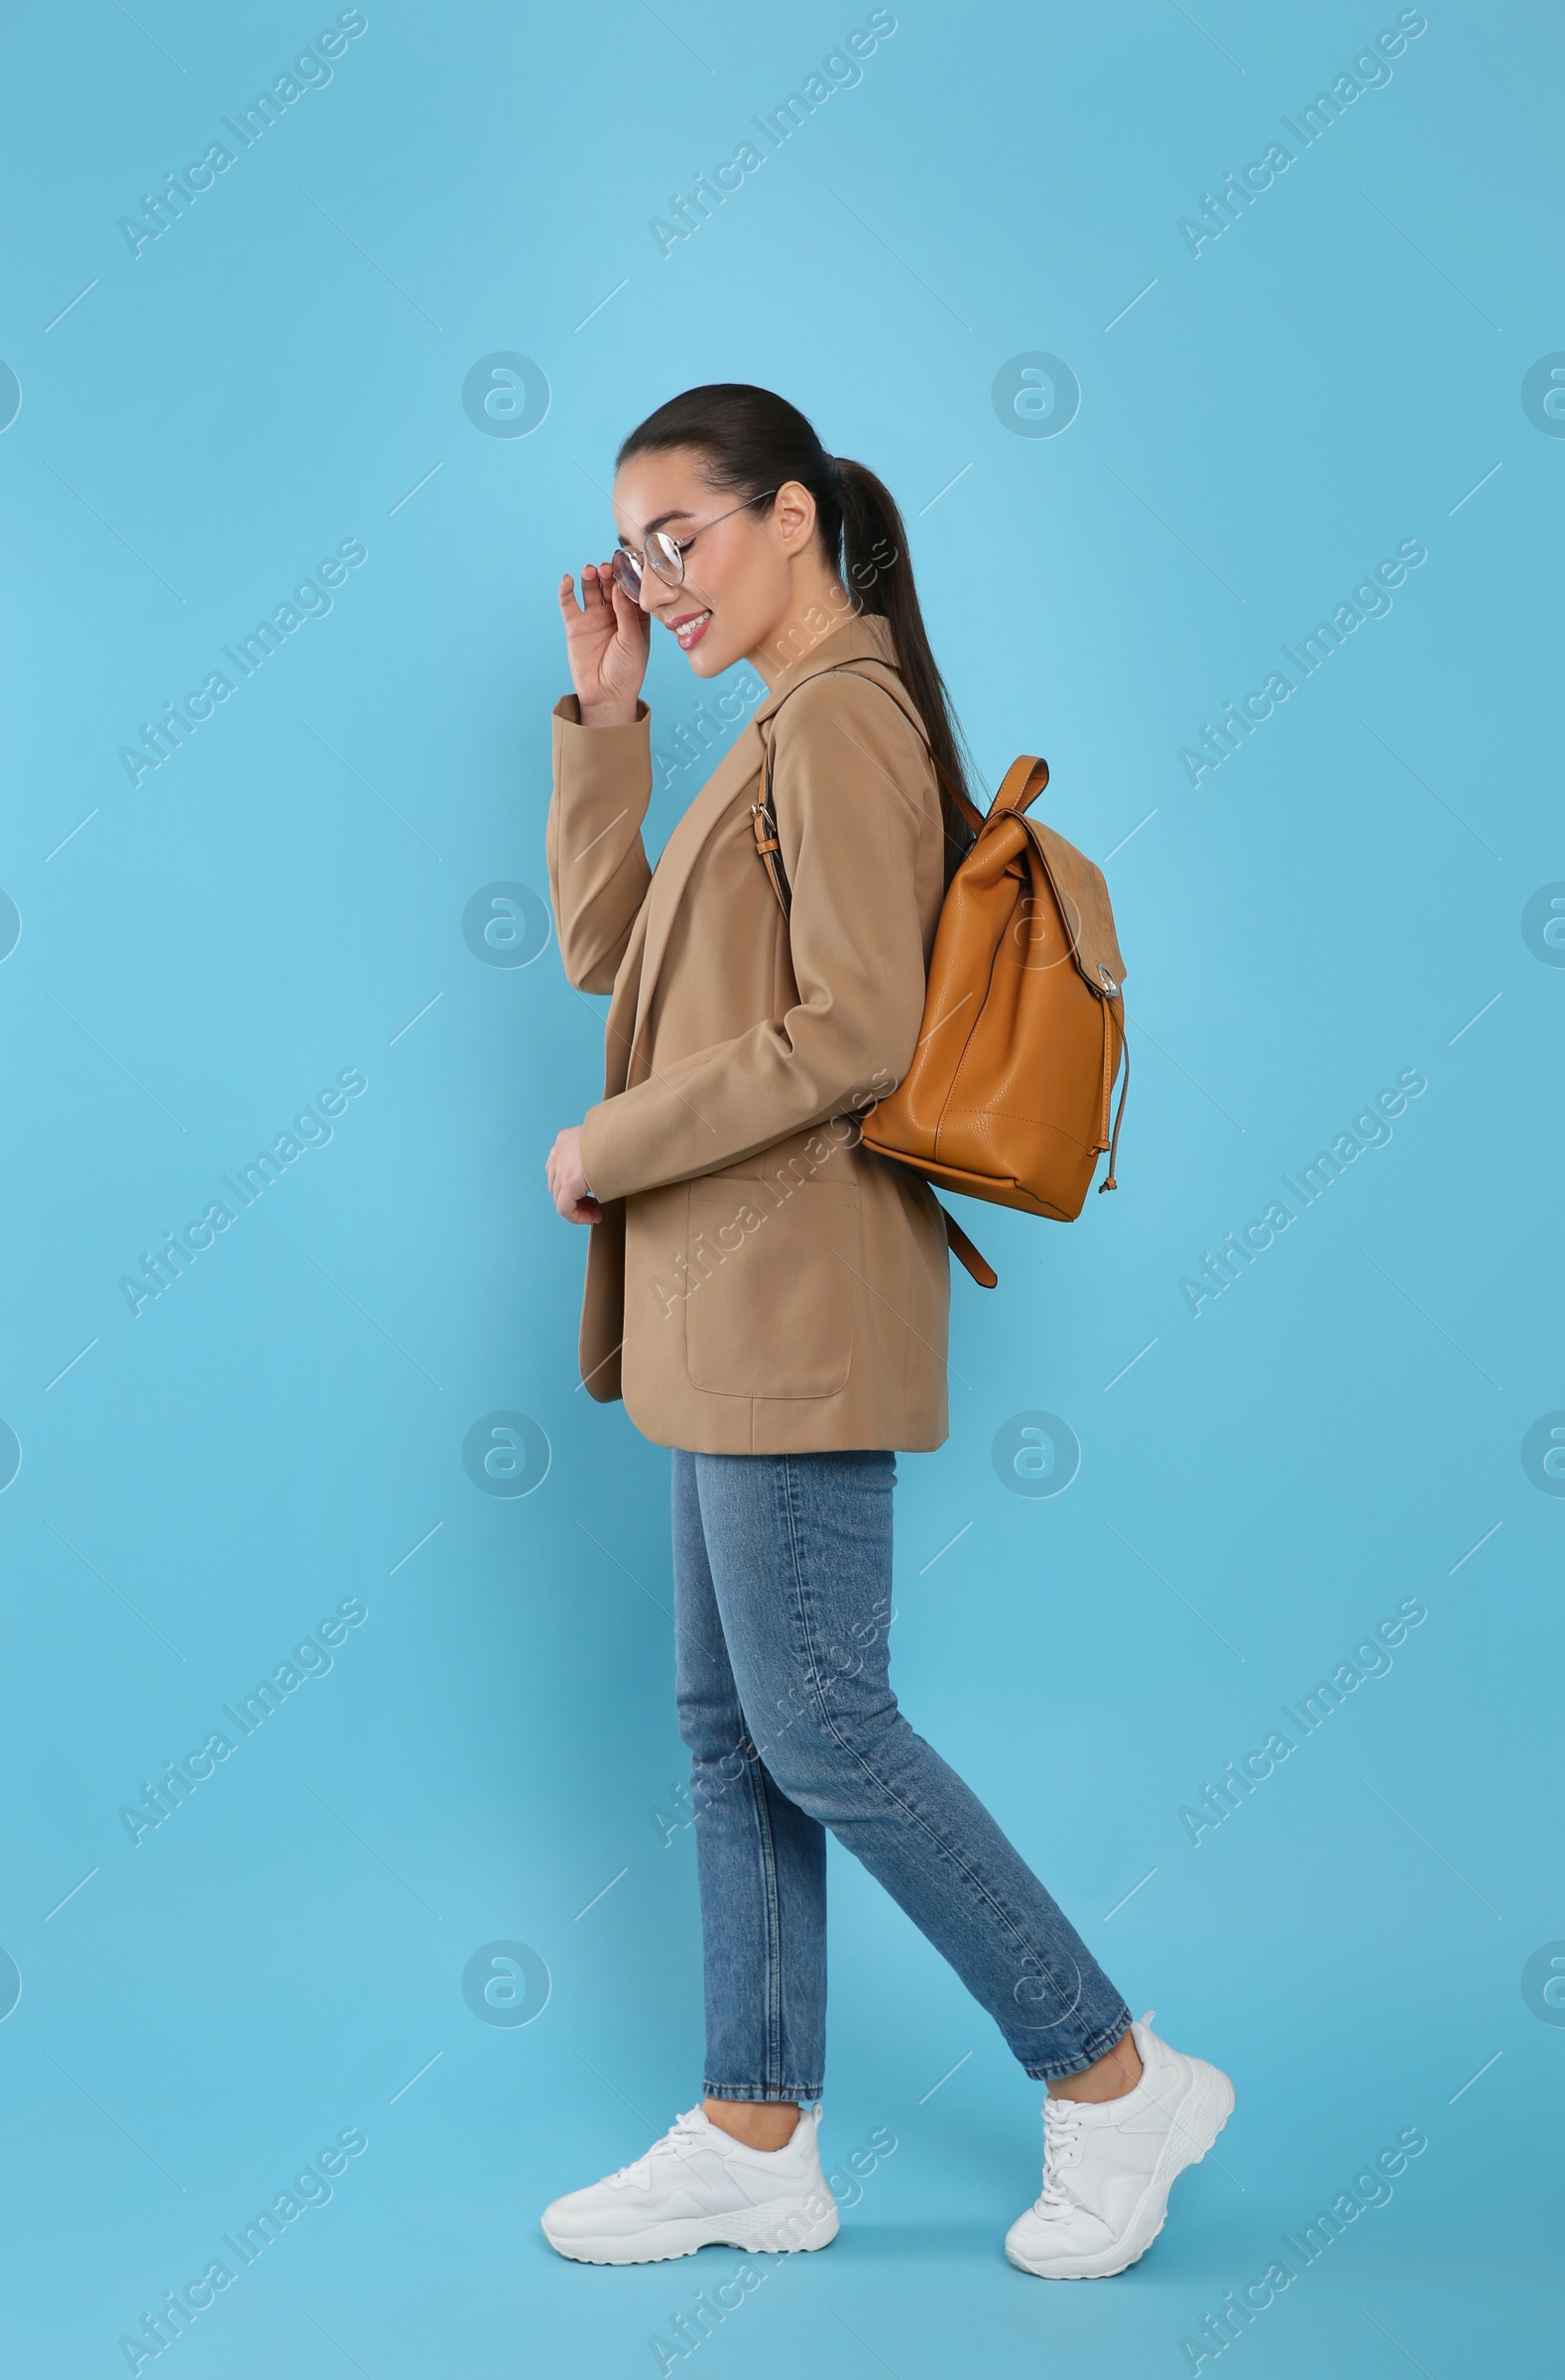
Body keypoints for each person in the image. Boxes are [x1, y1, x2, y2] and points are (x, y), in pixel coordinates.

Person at [538, 384, 1233, 2276]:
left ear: (788, 518)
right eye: (632, 550)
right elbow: (610, 953)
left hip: (793, 1293)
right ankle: (756, 2137)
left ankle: (1108, 2075)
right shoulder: (770, 729)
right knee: (728, 1730)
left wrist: (615, 1143)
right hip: (723, 1296)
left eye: (679, 538)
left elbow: (851, 1034)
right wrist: (610, 721)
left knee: (822, 1722)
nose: (655, 578)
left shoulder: (846, 727)